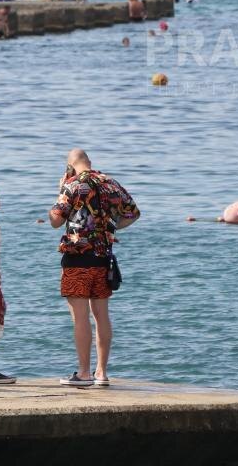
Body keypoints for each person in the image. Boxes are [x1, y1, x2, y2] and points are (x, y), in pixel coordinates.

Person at [49, 149, 140, 388]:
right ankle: (101, 373)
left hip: (77, 258)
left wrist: (61, 189)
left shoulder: (73, 185)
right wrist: (110, 228)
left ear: (70, 166)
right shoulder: (110, 183)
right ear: (88, 162)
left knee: (80, 317)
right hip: (103, 258)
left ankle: (84, 372)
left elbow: (55, 220)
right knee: (101, 316)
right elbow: (133, 213)